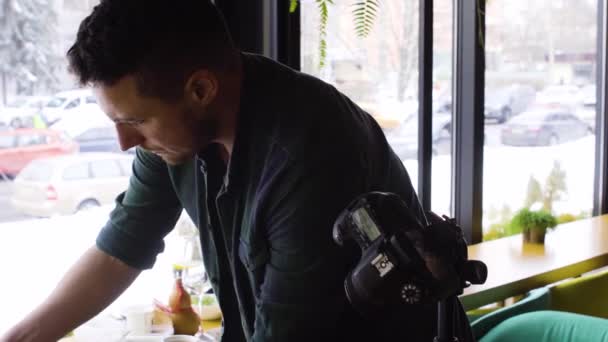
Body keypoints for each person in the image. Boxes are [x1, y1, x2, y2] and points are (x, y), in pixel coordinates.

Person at [1, 1, 473, 341]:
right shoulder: (173, 134)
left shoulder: (308, 152)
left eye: (135, 121)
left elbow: (287, 330)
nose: (126, 143)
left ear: (201, 88)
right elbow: (122, 246)